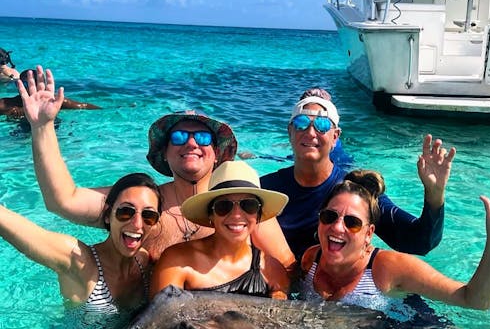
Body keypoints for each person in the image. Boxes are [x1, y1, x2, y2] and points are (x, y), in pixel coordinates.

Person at [19, 66, 296, 269]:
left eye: (202, 137)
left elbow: (286, 267)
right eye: (178, 137)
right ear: (164, 152)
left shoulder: (244, 206)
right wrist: (42, 127)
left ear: (216, 154)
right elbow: (62, 201)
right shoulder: (141, 208)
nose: (190, 143)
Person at [260, 90, 456, 261]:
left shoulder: (356, 192)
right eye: (301, 123)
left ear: (335, 137)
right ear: (290, 132)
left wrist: (434, 194)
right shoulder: (264, 189)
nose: (311, 132)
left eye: (322, 126)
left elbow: (419, 242)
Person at [301, 170, 490, 309]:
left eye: (352, 223)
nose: (337, 227)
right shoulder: (310, 260)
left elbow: (473, 299)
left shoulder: (388, 268)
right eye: (329, 216)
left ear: (369, 233)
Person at [0, 172, 161, 319]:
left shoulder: (144, 261)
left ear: (155, 224)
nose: (137, 224)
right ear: (107, 215)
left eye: (149, 215)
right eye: (126, 211)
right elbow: (16, 228)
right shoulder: (79, 261)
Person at [150, 161, 290, 300]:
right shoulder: (177, 261)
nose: (236, 215)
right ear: (210, 214)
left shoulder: (273, 271)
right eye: (224, 206)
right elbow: (158, 319)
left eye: (248, 205)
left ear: (258, 214)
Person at [2, 69, 101, 119]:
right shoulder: (7, 104)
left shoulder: (52, 101)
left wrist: (109, 110)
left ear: (38, 84)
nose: (21, 87)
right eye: (18, 84)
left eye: (25, 84)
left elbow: (83, 106)